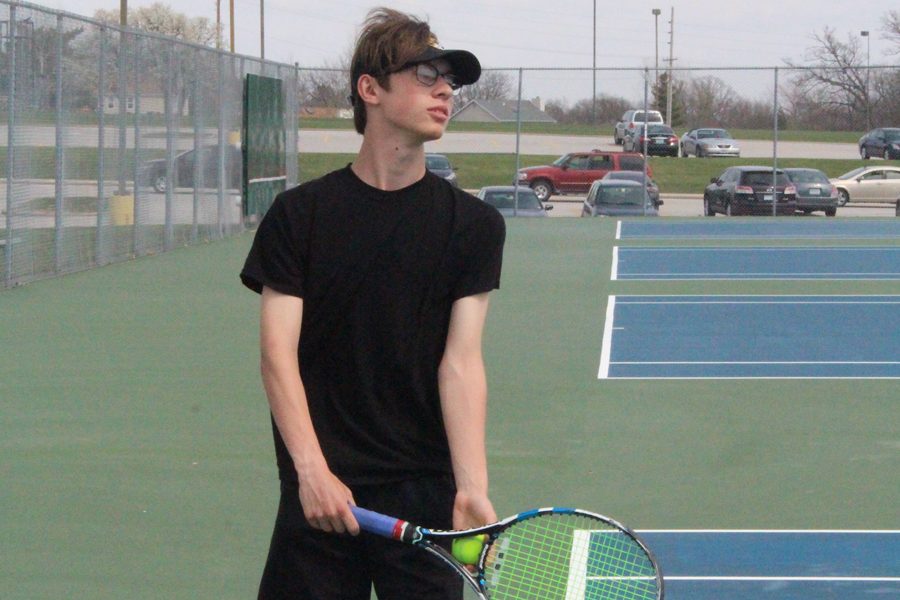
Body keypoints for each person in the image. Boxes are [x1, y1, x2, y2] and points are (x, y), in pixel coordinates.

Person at [239, 7, 506, 599]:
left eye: (451, 82)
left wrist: (471, 486)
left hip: (423, 502)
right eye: (426, 75)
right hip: (319, 495)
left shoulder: (474, 226)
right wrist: (312, 473)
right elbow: (276, 355)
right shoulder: (299, 217)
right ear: (371, 89)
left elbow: (460, 363)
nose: (445, 91)